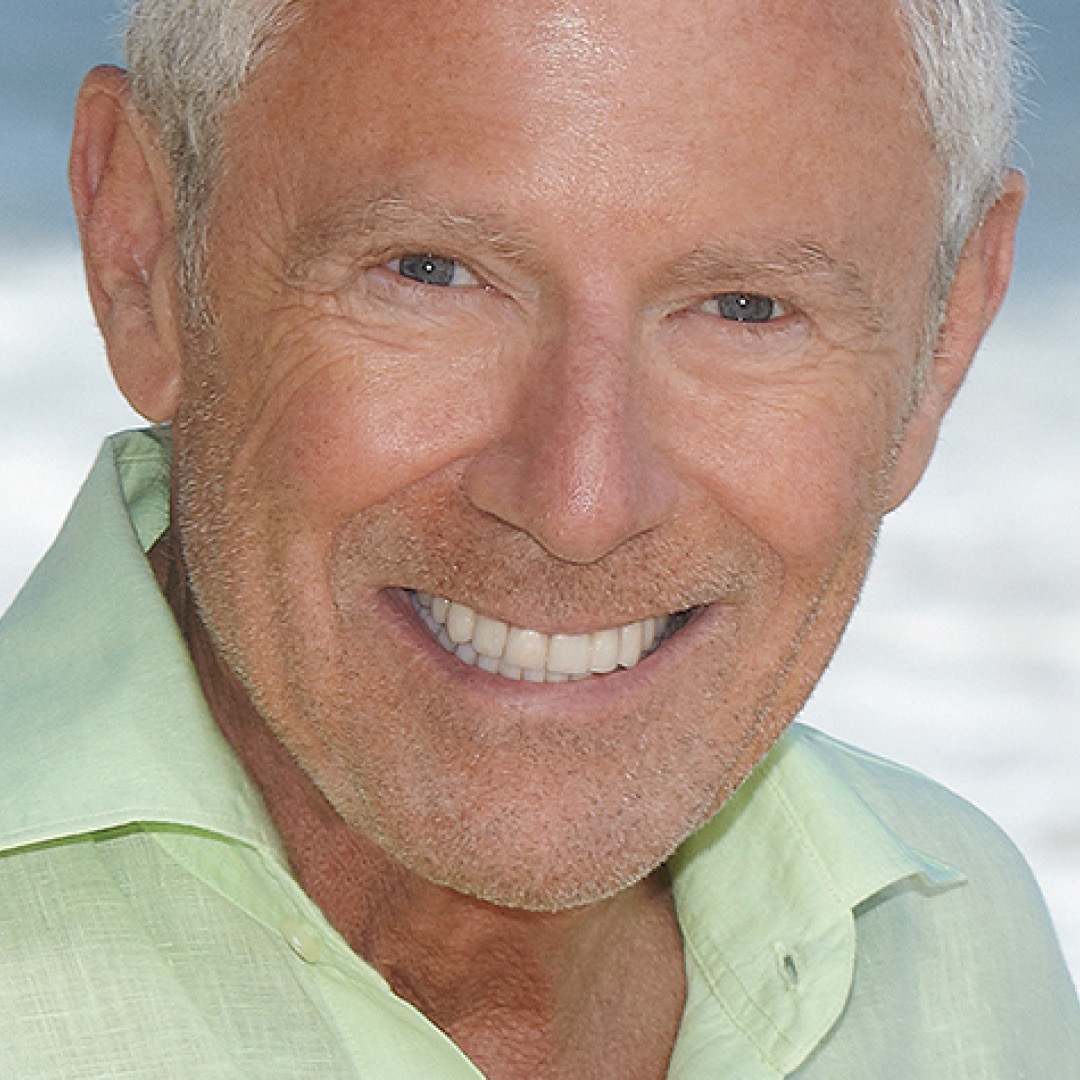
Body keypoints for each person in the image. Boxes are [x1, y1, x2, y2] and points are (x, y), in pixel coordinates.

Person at [0, 0, 1076, 1075]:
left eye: (745, 307)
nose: (580, 505)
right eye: (430, 271)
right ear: (143, 254)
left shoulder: (960, 954)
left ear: (943, 339)